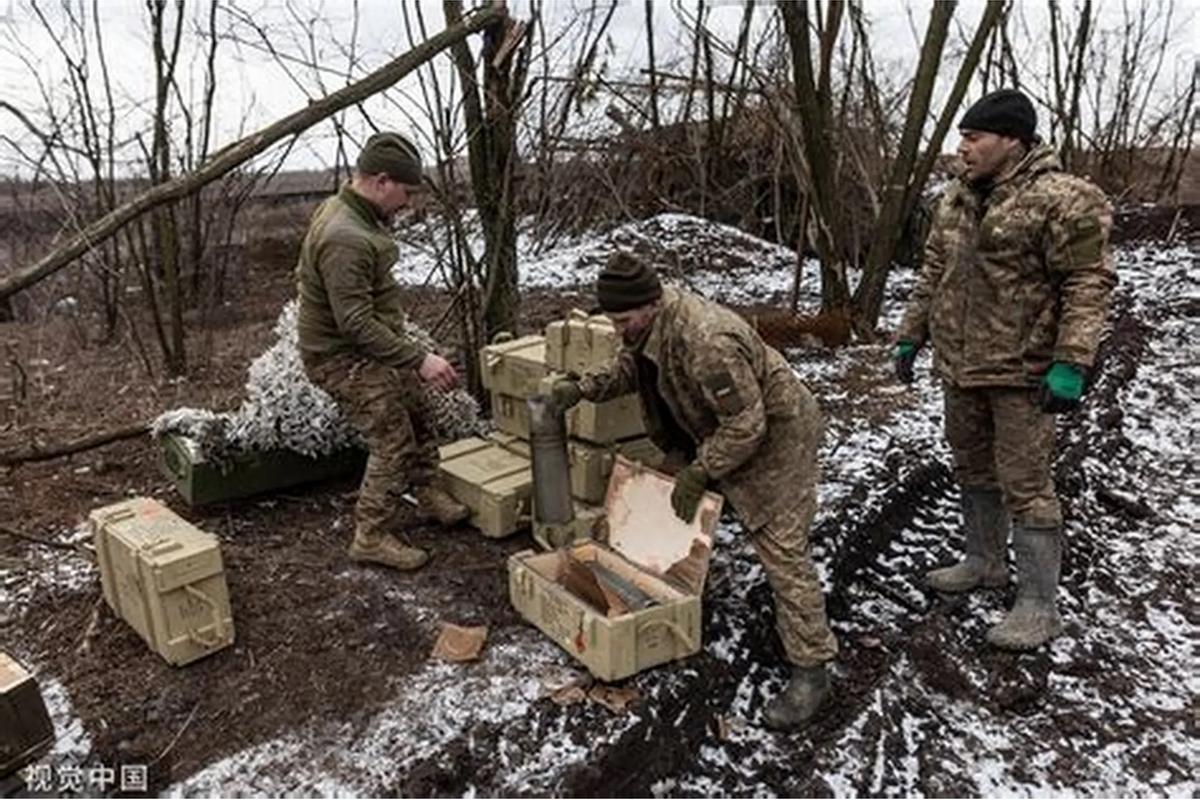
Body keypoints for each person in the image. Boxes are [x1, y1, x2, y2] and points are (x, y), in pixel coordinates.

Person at [551, 253, 838, 731]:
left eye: (623, 319)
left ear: (652, 302)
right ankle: (671, 600)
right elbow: (629, 367)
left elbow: (749, 425)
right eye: (612, 320)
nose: (619, 329)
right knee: (661, 503)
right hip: (714, 432)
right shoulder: (648, 327)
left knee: (782, 552)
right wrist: (581, 388)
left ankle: (812, 670)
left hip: (777, 443)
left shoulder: (708, 341)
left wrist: (700, 471)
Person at [894, 89, 1116, 650]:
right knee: (971, 466)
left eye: (974, 138)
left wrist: (1071, 362)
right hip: (961, 366)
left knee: (1027, 485)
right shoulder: (956, 198)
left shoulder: (1065, 198)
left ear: (1012, 140)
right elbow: (934, 270)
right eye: (963, 138)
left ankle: (1040, 605)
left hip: (1023, 371)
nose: (962, 149)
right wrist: (909, 336)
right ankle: (984, 561)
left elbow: (1087, 283)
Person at [295, 132, 469, 572]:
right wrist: (418, 358)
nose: (408, 203)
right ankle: (370, 536)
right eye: (406, 193)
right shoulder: (345, 235)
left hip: (367, 345)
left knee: (418, 408)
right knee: (393, 437)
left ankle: (427, 493)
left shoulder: (357, 214)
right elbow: (353, 323)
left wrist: (411, 359)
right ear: (382, 181)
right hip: (339, 357)